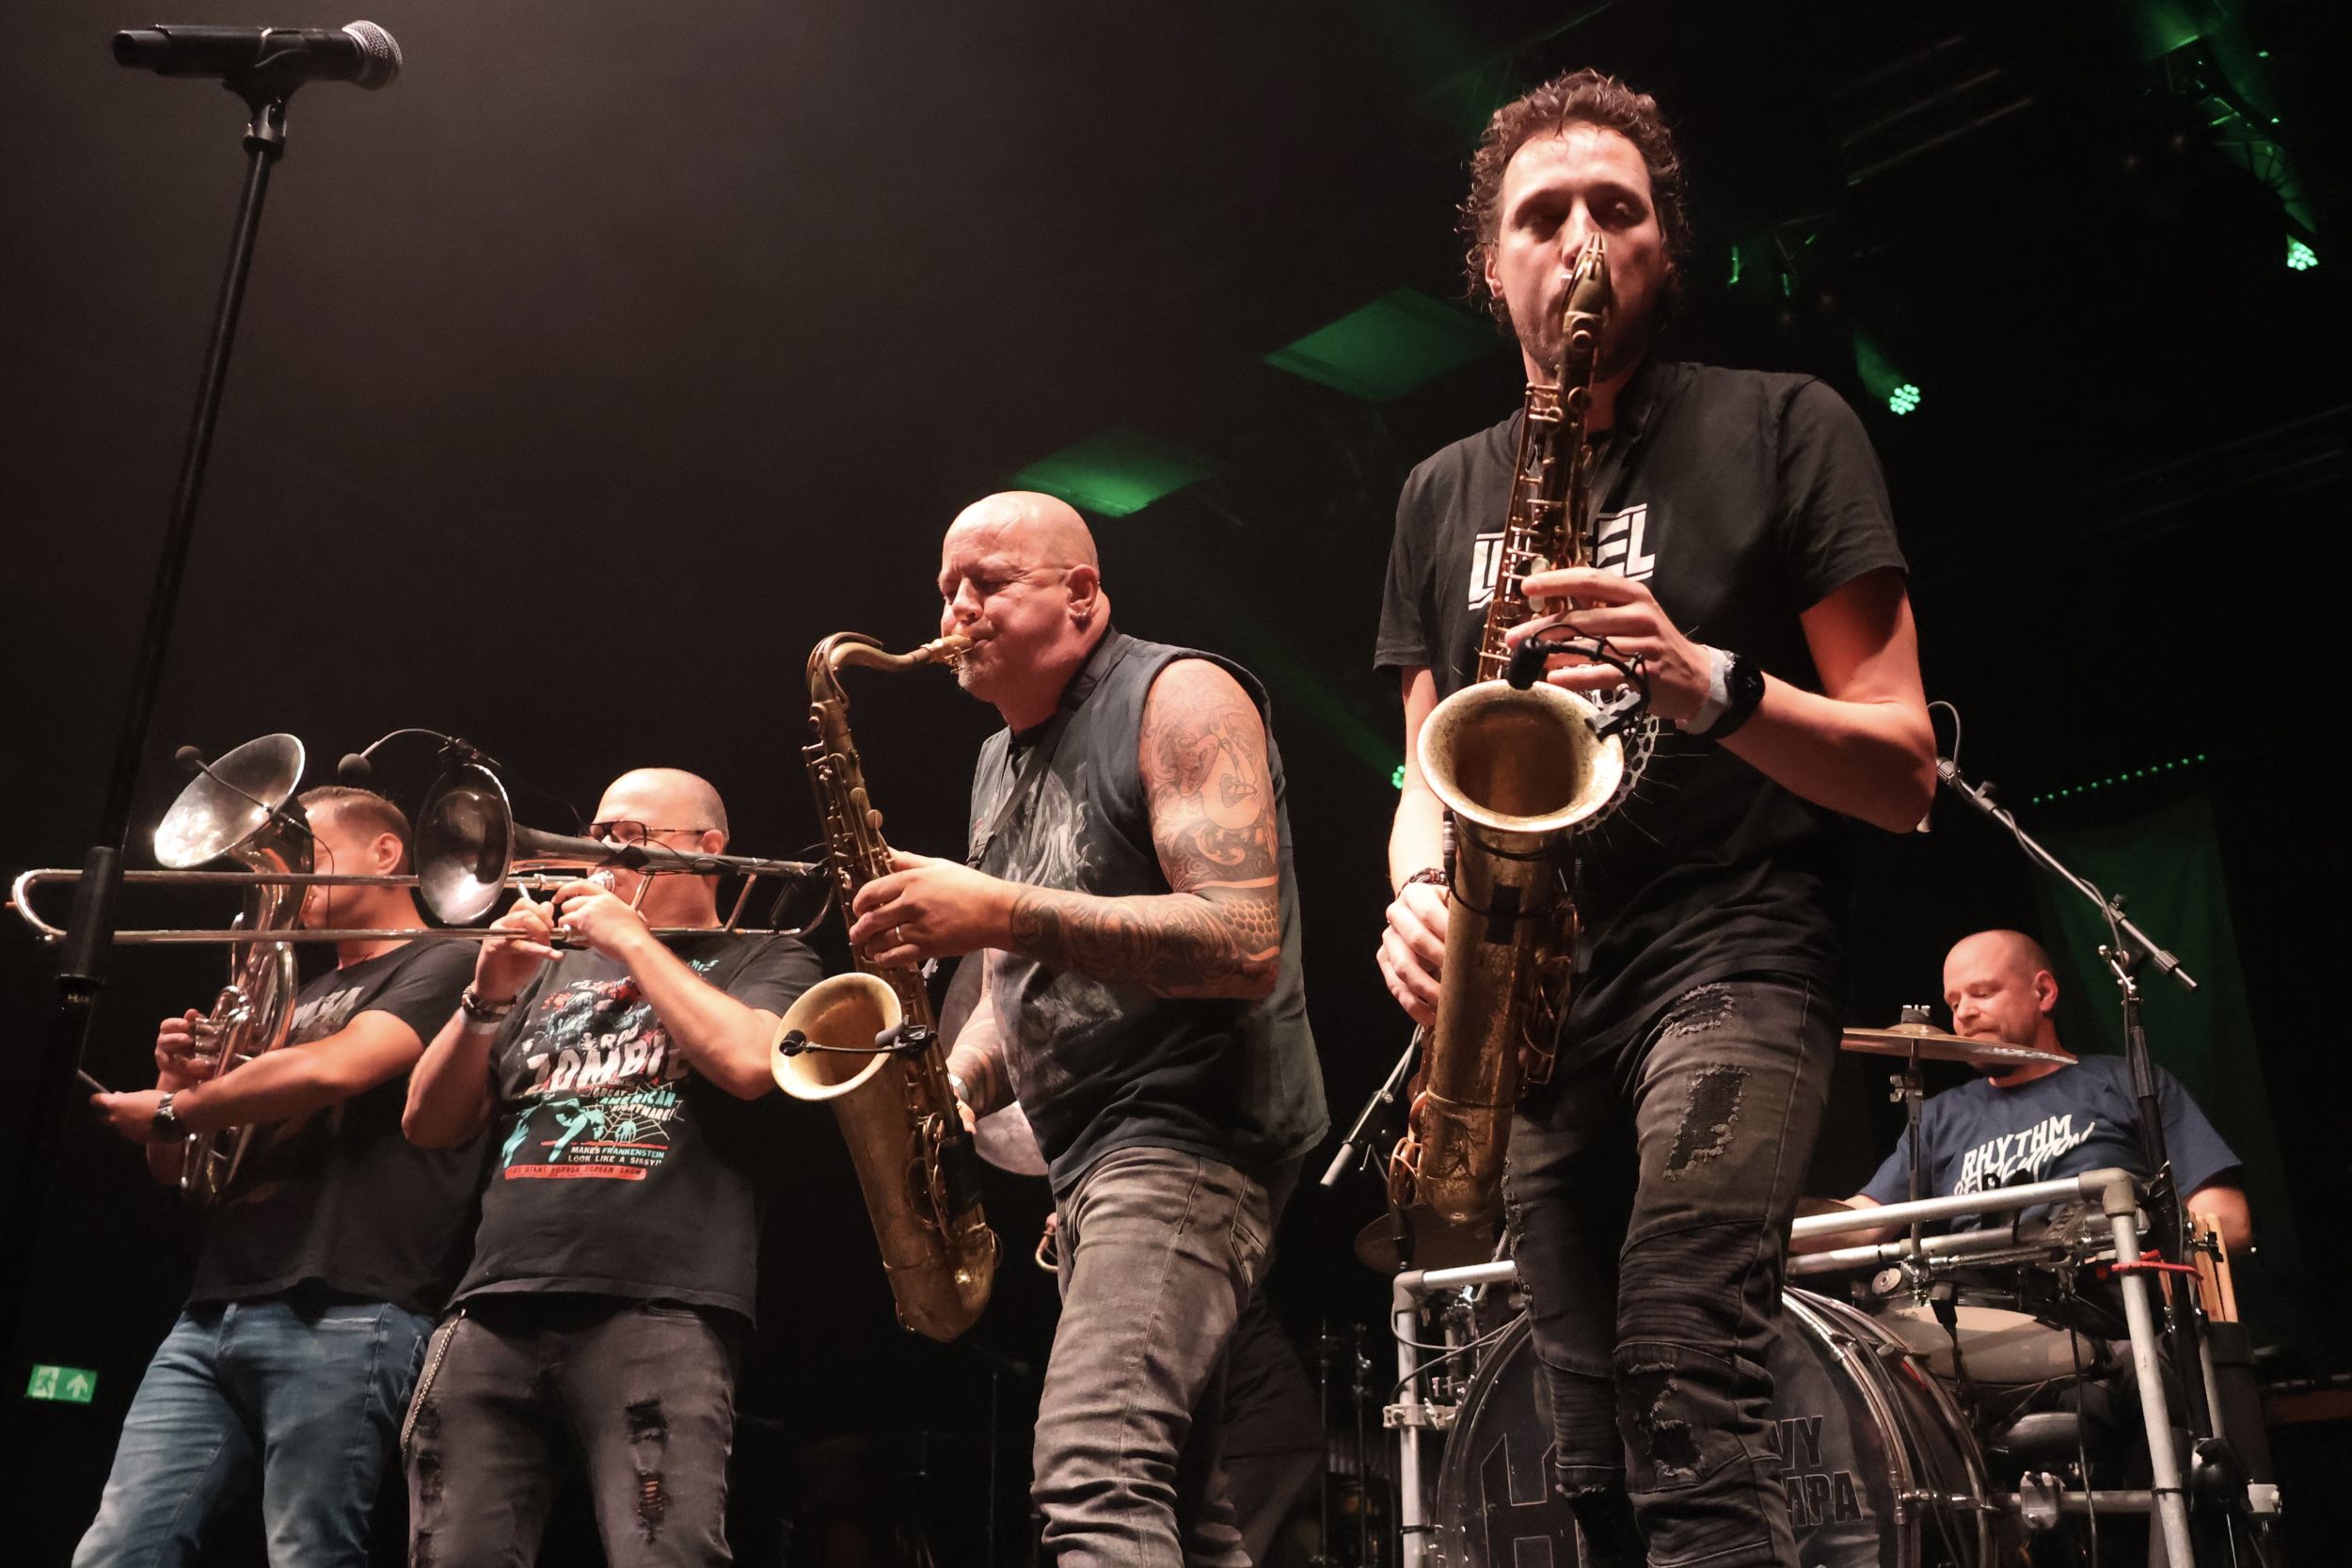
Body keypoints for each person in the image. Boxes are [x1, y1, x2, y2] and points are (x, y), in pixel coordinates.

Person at [1373, 70, 1935, 1568]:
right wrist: (1415, 890)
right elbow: (1424, 767)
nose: (1579, 242)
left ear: (1664, 247)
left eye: (1614, 210)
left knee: (1686, 1350)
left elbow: (1902, 768)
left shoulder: (1786, 424)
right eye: (1541, 216)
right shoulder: (1437, 493)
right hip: (1540, 985)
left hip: (1737, 942)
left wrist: (1707, 682)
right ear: (1488, 262)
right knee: (1585, 1443)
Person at [844, 490, 1328, 1568]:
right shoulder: (998, 759)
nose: (954, 610)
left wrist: (992, 906)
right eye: (944, 588)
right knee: (1188, 1512)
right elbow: (1014, 974)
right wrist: (959, 1085)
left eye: (987, 582)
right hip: (1095, 1155)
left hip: (1190, 1131)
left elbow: (1241, 937)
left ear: (1080, 591)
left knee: (1092, 1470)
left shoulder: (1179, 694)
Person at [399, 767, 821, 1568]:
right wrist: (486, 997)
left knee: (666, 1554)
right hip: (493, 1306)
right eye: (598, 836)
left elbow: (748, 1062)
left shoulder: (767, 956)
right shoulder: (548, 969)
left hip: (659, 1306)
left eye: (631, 839)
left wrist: (631, 940)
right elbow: (427, 1121)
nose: (601, 856)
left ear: (709, 849)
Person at [75, 785, 480, 1568]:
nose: (287, 883)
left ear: (385, 854)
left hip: (346, 1303)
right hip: (215, 1304)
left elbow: (341, 1067)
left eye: (306, 859)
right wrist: (179, 1083)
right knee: (119, 1547)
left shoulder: (448, 959)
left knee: (308, 1551)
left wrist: (178, 1109)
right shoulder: (296, 996)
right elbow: (180, 1172)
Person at [1833, 928, 2251, 1251]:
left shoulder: (2126, 1082)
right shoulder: (1940, 1117)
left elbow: (2228, 1220)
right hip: (1982, 1317)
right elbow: (1861, 1222)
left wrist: (2141, 1241)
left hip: (2114, 1305)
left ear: (2044, 992)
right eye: (1954, 1002)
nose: (1964, 1015)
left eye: (1982, 993)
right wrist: (1791, 1212)